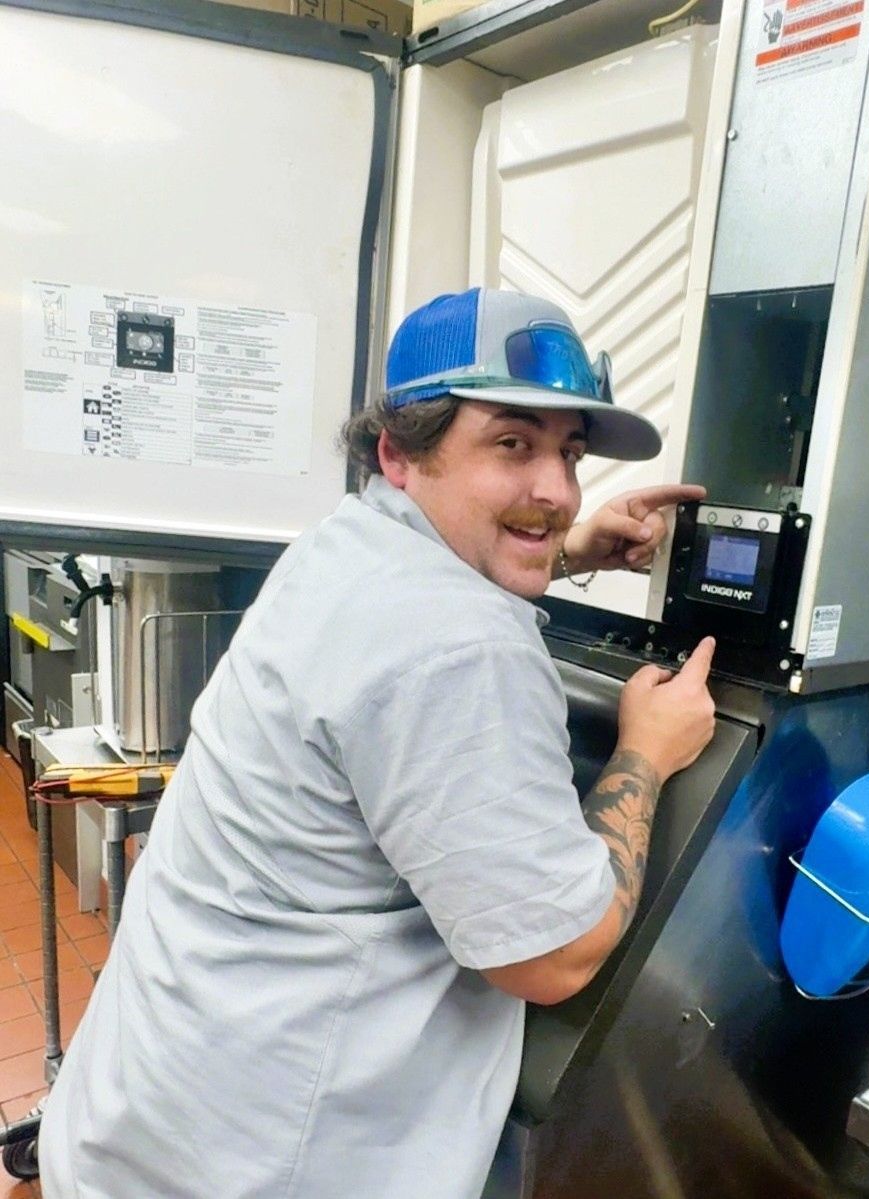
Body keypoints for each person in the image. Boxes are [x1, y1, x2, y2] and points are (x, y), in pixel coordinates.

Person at [39, 287, 715, 1198]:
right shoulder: (459, 643)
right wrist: (647, 750)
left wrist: (568, 546)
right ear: (398, 449)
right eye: (511, 443)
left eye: (569, 453)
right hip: (266, 1163)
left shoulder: (346, 544)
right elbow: (555, 956)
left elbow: (438, 582)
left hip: (148, 1114)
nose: (554, 489)